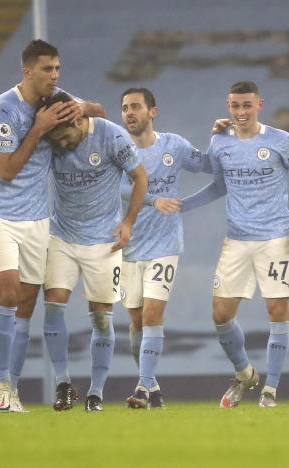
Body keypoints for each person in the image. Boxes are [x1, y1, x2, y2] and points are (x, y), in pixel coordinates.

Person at [0, 39, 104, 413]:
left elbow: (100, 108)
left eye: (58, 69)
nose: (55, 76)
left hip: (36, 220)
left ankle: (11, 391)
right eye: (48, 69)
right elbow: (6, 170)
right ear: (27, 71)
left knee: (24, 310)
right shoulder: (4, 109)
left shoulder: (59, 97)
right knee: (8, 292)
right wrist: (38, 128)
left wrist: (82, 107)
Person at [181, 80, 289, 408]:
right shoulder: (220, 141)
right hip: (237, 241)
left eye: (247, 105)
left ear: (259, 105)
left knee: (277, 309)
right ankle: (245, 374)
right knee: (220, 315)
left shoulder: (280, 141)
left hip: (274, 238)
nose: (241, 112)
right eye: (235, 106)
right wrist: (181, 205)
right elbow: (218, 186)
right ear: (228, 107)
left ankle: (270, 389)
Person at [40, 91, 147, 412]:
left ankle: (95, 393)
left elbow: (140, 178)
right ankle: (63, 384)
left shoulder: (111, 135)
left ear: (78, 120)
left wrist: (128, 222)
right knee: (53, 307)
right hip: (62, 235)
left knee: (101, 320)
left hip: (104, 240)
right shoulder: (52, 137)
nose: (61, 144)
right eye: (55, 139)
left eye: (65, 136)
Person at [117, 87, 212, 409]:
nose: (129, 112)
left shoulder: (174, 146)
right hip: (129, 247)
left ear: (152, 112)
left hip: (165, 244)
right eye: (125, 108)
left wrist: (224, 138)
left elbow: (207, 164)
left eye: (136, 106)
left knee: (152, 313)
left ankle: (142, 388)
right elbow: (113, 187)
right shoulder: (118, 150)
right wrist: (152, 198)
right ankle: (153, 387)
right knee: (135, 322)